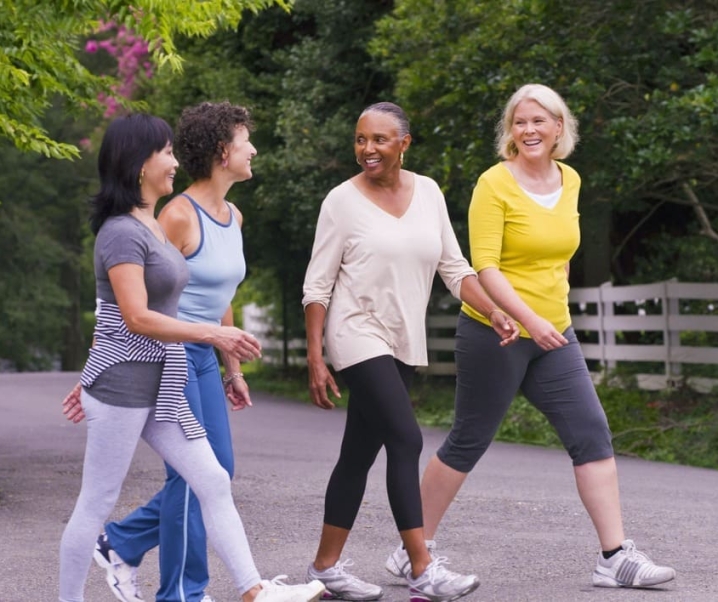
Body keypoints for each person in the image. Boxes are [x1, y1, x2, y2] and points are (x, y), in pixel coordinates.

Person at [385, 83, 677, 589]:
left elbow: (560, 251)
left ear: (559, 127)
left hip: (553, 334)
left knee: (591, 433)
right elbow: (486, 269)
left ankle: (614, 557)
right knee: (469, 439)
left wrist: (551, 311)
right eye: (520, 122)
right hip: (495, 334)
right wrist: (528, 320)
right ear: (510, 132)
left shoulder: (571, 180)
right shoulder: (493, 184)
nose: (530, 130)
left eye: (540, 120)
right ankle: (414, 549)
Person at [58, 112, 325, 602]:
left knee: (213, 479)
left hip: (164, 383)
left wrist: (224, 358)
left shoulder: (150, 227)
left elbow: (147, 307)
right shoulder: (121, 232)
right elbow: (133, 316)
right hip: (121, 389)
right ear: (140, 164)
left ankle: (254, 590)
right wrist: (215, 336)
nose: (176, 162)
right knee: (95, 504)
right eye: (166, 152)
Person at [301, 102, 520, 602]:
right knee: (406, 438)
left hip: (402, 338)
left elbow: (455, 267)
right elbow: (317, 286)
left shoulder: (429, 192)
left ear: (404, 142)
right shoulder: (341, 201)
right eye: (360, 139)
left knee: (358, 453)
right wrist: (317, 355)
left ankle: (325, 567)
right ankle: (422, 567)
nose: (367, 149)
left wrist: (495, 311)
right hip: (355, 332)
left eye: (379, 139)